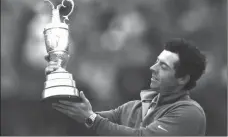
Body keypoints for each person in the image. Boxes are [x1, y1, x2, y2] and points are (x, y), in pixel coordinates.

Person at [47, 38, 207, 136]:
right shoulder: (134, 107)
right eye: (157, 61)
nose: (153, 68)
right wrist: (69, 106)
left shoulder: (189, 113)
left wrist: (90, 118)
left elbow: (141, 136)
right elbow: (92, 120)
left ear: (183, 79)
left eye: (163, 66)